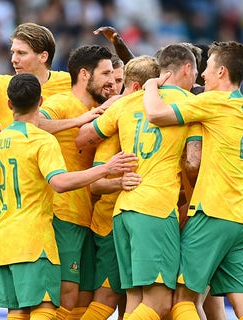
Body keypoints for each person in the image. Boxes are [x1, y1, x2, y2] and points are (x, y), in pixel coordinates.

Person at [0, 73, 137, 320]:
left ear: (9, 104)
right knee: (45, 307)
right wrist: (104, 169)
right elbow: (59, 182)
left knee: (18, 309)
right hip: (34, 240)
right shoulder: (42, 140)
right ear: (41, 101)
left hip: (4, 239)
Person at [142, 41, 243, 320]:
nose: (203, 75)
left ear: (221, 71)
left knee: (183, 300)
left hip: (212, 212)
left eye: (208, 68)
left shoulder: (213, 102)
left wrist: (150, 86)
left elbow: (155, 115)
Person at [76, 43, 198, 320]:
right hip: (155, 210)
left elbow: (82, 138)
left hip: (123, 212)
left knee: (134, 302)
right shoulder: (189, 104)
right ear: (187, 70)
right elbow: (194, 162)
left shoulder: (126, 103)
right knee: (160, 303)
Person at [38, 44, 116, 320]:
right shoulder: (61, 102)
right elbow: (33, 124)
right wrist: (78, 120)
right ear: (84, 74)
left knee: (83, 300)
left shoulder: (102, 108)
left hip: (88, 216)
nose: (111, 80)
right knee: (65, 296)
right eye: (105, 73)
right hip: (62, 211)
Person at [80, 55, 160, 320]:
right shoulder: (113, 123)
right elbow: (95, 184)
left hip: (143, 221)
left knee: (135, 299)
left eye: (119, 82)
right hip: (109, 226)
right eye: (112, 81)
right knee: (108, 297)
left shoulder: (158, 118)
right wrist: (119, 182)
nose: (115, 88)